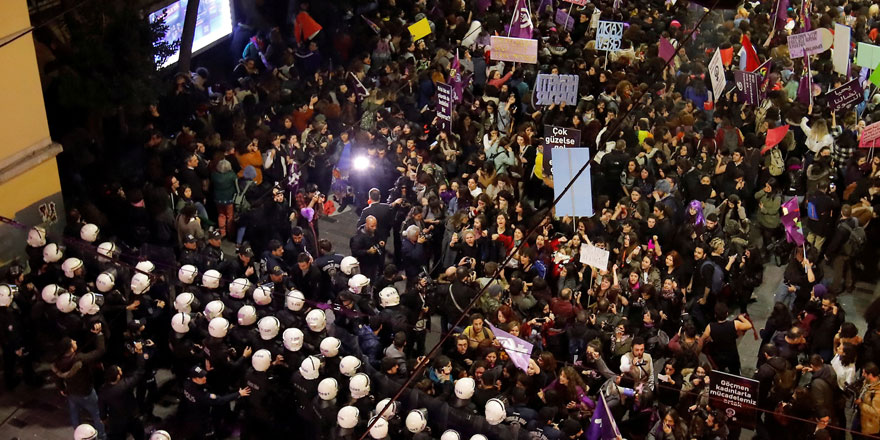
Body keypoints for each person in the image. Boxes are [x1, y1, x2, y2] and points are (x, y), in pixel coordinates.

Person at [52, 324, 107, 440]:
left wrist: (62, 388)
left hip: (71, 392)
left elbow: (57, 377)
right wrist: (99, 334)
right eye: (73, 342)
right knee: (96, 414)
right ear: (71, 348)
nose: (75, 341)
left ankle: (78, 434)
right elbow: (100, 351)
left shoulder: (58, 361)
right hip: (86, 392)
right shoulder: (80, 359)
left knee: (75, 415)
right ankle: (101, 436)